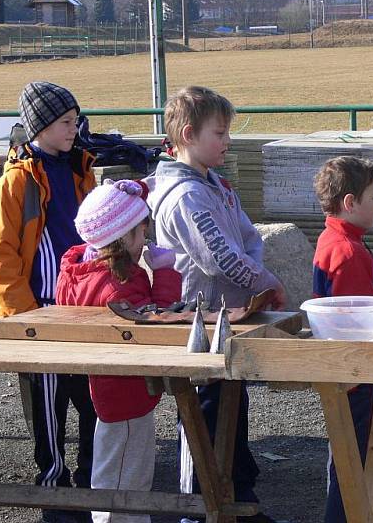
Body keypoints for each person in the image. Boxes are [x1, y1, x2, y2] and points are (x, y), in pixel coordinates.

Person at [145, 86, 285, 523]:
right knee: (204, 421)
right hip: (199, 323)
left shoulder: (215, 184)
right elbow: (219, 256)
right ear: (188, 134)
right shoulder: (186, 195)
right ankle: (198, 506)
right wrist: (266, 284)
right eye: (220, 133)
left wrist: (256, 281)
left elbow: (246, 239)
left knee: (232, 410)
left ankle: (235, 498)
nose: (227, 142)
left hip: (229, 316)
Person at [0, 81, 97, 523]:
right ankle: (54, 489)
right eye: (67, 122)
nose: (75, 129)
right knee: (48, 408)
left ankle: (90, 485)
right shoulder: (12, 185)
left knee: (91, 399)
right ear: (42, 125)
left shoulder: (79, 170)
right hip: (36, 314)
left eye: (75, 121)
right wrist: (25, 316)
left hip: (81, 309)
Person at [56, 179, 181, 523]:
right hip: (128, 393)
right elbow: (160, 324)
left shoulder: (78, 272)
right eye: (141, 235)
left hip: (104, 390)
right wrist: (166, 273)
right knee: (127, 479)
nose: (145, 244)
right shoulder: (119, 287)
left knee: (113, 467)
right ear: (124, 238)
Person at [311, 155, 373, 523]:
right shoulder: (348, 252)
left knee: (342, 456)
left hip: (343, 373)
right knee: (351, 462)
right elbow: (358, 320)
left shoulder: (333, 239)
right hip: (355, 374)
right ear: (350, 203)